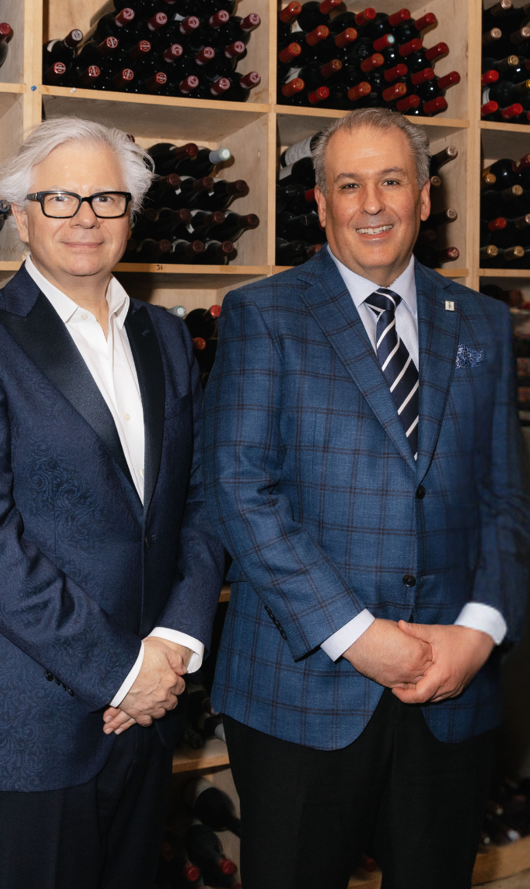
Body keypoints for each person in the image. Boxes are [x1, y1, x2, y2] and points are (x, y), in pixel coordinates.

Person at [204, 107, 530, 889]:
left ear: (424, 195)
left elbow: (506, 500)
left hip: (451, 694)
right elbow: (240, 490)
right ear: (320, 204)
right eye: (349, 185)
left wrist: (478, 634)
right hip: (302, 695)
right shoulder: (263, 314)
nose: (372, 204)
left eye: (391, 180)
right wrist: (356, 635)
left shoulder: (482, 319)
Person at [0, 118, 225, 889]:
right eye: (58, 198)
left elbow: (200, 497)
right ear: (21, 217)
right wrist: (122, 671)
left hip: (152, 709)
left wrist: (176, 643)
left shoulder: (165, 336)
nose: (84, 216)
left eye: (106, 197)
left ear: (130, 213)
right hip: (30, 721)